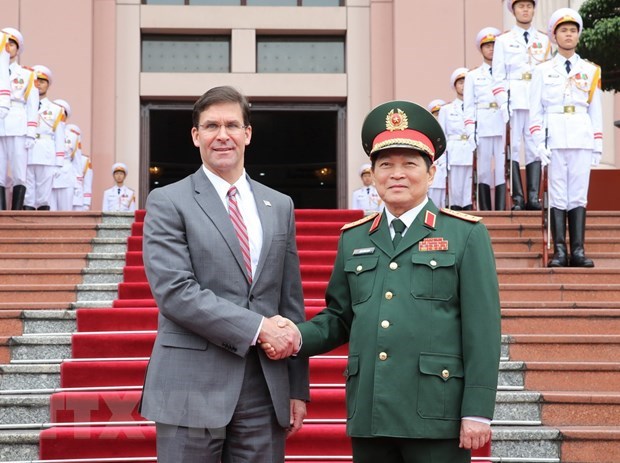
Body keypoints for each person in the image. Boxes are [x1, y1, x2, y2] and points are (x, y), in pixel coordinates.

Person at [263, 100, 501, 463]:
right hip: (371, 411)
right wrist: (296, 336)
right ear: (373, 175)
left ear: (431, 173)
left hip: (437, 414)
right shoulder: (355, 238)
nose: (397, 174)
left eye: (409, 164)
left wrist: (478, 410)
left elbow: (482, 329)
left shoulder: (464, 234)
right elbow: (339, 318)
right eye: (386, 165)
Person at [139, 85, 310, 463]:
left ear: (247, 134)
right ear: (195, 135)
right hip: (190, 384)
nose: (222, 135)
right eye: (211, 126)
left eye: (232, 125)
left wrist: (297, 387)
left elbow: (290, 300)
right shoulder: (168, 201)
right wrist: (259, 328)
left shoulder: (279, 204)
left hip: (265, 385)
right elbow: (175, 292)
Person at [530, 8, 602, 268]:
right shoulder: (542, 70)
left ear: (578, 36)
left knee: (579, 195)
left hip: (582, 137)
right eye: (564, 31)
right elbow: (535, 111)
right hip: (555, 139)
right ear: (554, 36)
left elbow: (595, 110)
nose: (569, 35)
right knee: (558, 195)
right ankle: (560, 251)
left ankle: (578, 251)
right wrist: (538, 143)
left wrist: (597, 144)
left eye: (573, 30)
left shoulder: (591, 70)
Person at [492, 0, 551, 210]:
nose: (525, 10)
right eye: (521, 6)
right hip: (514, 100)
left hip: (536, 100)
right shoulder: (503, 40)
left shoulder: (544, 39)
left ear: (534, 9)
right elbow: (497, 76)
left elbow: (548, 73)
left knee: (535, 148)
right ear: (513, 10)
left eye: (529, 6)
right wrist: (503, 104)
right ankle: (517, 198)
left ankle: (533, 197)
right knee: (514, 148)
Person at [464, 27, 506, 211]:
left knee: (502, 169)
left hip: (502, 124)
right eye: (487, 46)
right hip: (483, 126)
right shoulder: (473, 76)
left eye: (494, 45)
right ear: (481, 49)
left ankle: (502, 208)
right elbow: (469, 105)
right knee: (483, 171)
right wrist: (470, 130)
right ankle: (486, 210)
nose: (491, 49)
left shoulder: (506, 72)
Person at [0, 27, 39, 211]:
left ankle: (15, 214)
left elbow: (32, 104)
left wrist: (31, 131)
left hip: (18, 123)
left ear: (18, 49)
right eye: (5, 43)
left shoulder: (27, 74)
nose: (8, 47)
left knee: (19, 172)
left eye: (12, 44)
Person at [24, 65, 65, 210]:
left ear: (48, 85)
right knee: (27, 192)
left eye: (42, 81)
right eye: (36, 81)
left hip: (46, 152)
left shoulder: (56, 109)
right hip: (26, 150)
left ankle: (42, 219)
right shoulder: (23, 105)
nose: (39, 84)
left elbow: (60, 137)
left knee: (44, 195)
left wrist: (59, 162)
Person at [438, 68, 475, 210]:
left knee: (469, 191)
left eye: (466, 82)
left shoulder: (476, 107)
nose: (464, 86)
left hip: (471, 150)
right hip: (454, 153)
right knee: (456, 191)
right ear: (454, 86)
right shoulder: (446, 109)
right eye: (460, 82)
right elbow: (442, 136)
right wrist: (442, 160)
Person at [49, 98, 74, 210]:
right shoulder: (45, 132)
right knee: (49, 211)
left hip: (65, 175)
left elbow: (77, 162)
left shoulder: (73, 136)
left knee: (66, 211)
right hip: (48, 174)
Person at [427, 99, 448, 209]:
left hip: (449, 175)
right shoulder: (429, 133)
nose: (439, 117)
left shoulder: (453, 132)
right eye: (436, 114)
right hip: (436, 177)